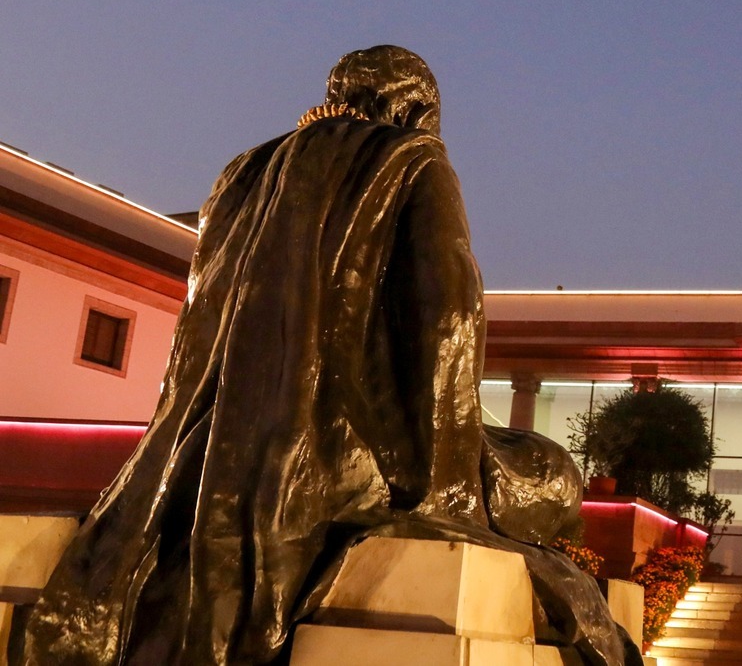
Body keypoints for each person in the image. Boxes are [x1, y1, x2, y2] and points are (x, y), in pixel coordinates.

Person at [25, 47, 640, 666]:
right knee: (553, 471)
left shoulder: (242, 172)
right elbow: (446, 316)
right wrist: (444, 477)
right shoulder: (413, 157)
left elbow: (197, 320)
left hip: (207, 451)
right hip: (355, 447)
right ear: (414, 106)